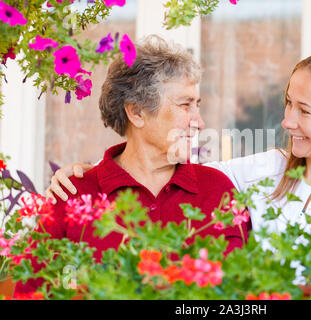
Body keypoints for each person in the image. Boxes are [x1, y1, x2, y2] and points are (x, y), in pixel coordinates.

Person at [46, 52, 311, 277]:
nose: (287, 121)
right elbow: (155, 164)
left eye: (304, 111)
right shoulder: (270, 170)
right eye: (287, 104)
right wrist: (87, 173)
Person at [15, 35, 250, 294]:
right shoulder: (74, 194)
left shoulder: (217, 190)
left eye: (197, 105)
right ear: (136, 112)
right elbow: (30, 292)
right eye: (185, 105)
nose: (199, 121)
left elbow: (237, 293)